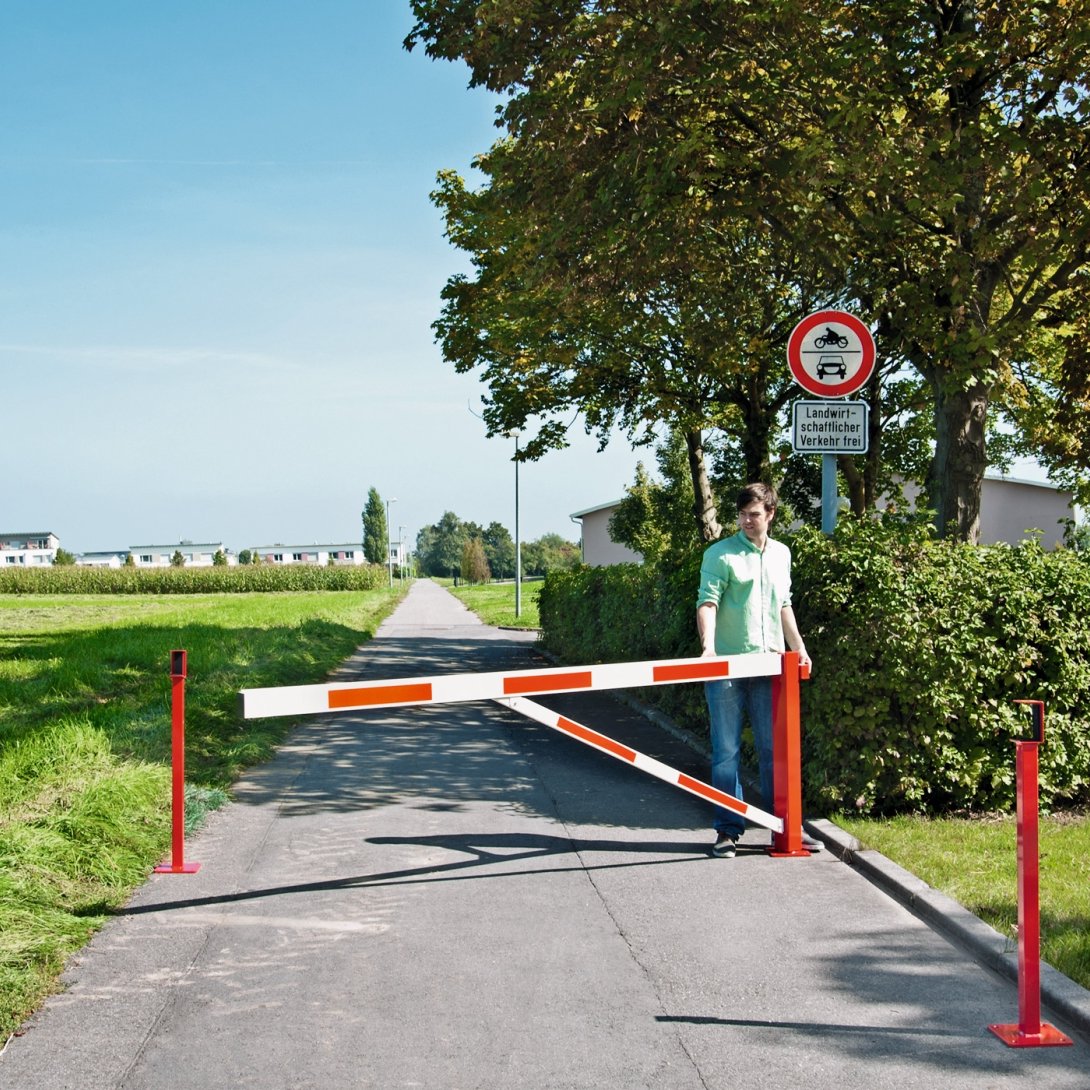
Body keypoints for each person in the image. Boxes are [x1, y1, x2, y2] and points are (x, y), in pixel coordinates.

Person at [695, 482, 821, 858]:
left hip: (772, 667)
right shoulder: (720, 555)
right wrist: (708, 649)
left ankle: (785, 829)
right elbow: (708, 603)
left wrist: (799, 648)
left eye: (755, 514)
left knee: (774, 751)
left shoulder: (782, 554)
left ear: (770, 515)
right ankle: (728, 831)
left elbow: (784, 604)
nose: (747, 521)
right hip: (728, 667)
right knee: (727, 751)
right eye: (743, 514)